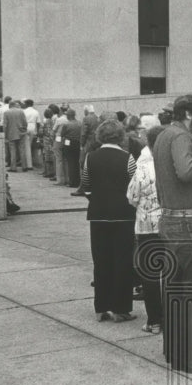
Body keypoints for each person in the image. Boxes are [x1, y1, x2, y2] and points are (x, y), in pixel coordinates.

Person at [152, 94, 192, 374]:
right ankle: (184, 356)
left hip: (172, 221)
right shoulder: (181, 137)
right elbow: (186, 172)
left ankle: (175, 350)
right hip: (186, 227)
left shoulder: (165, 135)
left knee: (175, 288)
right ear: (188, 114)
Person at [80, 119, 138, 321]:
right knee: (122, 262)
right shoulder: (128, 158)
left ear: (100, 136)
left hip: (97, 214)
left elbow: (86, 185)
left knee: (101, 261)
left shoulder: (90, 157)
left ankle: (101, 307)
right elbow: (134, 187)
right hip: (123, 214)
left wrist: (95, 199)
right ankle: (120, 308)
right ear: (120, 136)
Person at [128, 124, 165, 334]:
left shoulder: (143, 169)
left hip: (146, 227)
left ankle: (154, 320)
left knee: (150, 275)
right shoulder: (175, 166)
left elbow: (131, 197)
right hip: (170, 225)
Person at [3, 100, 29, 172]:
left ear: (9, 105)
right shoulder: (21, 111)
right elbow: (25, 122)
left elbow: (5, 125)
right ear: (15, 105)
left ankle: (13, 167)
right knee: (22, 150)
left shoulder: (6, 113)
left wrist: (4, 135)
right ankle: (24, 166)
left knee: (12, 151)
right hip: (21, 133)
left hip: (11, 133)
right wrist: (24, 129)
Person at [62, 109, 83, 188]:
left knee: (70, 163)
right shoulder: (80, 123)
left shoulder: (66, 124)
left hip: (68, 143)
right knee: (77, 162)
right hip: (77, 143)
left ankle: (72, 182)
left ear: (68, 116)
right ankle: (78, 181)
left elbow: (62, 134)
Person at [53, 105, 69, 185]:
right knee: (65, 159)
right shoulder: (68, 119)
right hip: (66, 140)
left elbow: (54, 130)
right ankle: (67, 179)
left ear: (61, 110)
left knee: (59, 159)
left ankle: (59, 179)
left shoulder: (59, 119)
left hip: (58, 138)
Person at [23, 99, 41, 170]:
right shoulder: (36, 112)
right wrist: (37, 131)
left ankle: (28, 164)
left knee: (27, 147)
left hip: (26, 127)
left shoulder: (24, 111)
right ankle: (31, 163)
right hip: (33, 127)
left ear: (26, 104)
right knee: (30, 146)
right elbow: (38, 122)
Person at [41, 105, 58, 179]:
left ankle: (48, 172)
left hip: (46, 140)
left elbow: (42, 131)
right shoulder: (53, 121)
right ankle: (53, 172)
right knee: (52, 156)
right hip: (52, 140)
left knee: (47, 156)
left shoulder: (45, 122)